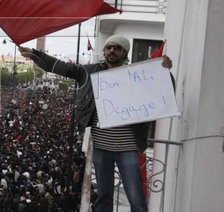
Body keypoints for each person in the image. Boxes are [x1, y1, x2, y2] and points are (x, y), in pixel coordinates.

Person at [19, 35, 173, 212]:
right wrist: (35, 55)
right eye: (109, 47)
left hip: (128, 147)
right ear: (104, 51)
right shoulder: (89, 72)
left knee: (136, 198)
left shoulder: (137, 75)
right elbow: (60, 67)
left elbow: (164, 91)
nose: (112, 50)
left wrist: (164, 71)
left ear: (125, 52)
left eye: (117, 48)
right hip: (100, 147)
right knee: (103, 197)